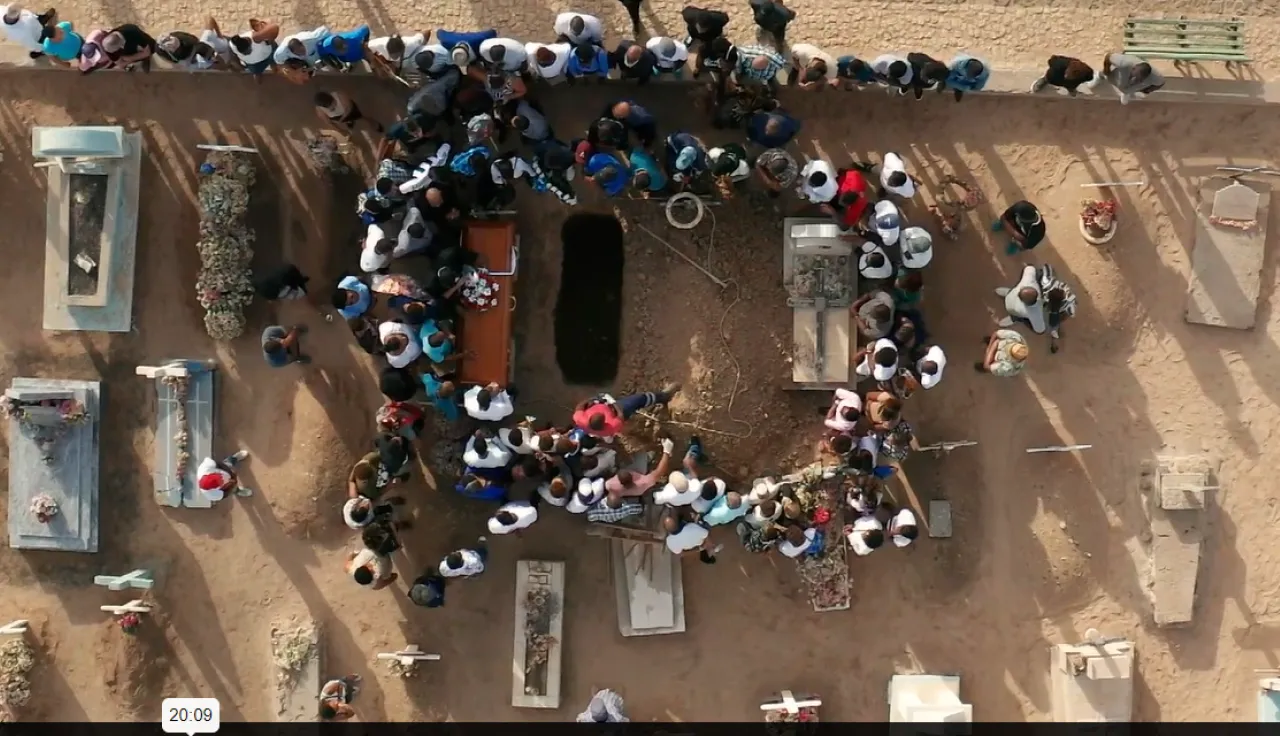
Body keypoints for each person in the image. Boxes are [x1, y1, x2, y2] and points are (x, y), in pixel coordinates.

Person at [572, 384, 681, 439]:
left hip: (601, 402)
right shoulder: (611, 425)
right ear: (605, 422)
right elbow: (621, 416)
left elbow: (579, 406)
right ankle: (664, 396)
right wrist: (612, 402)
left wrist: (592, 400)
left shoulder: (580, 420)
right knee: (639, 399)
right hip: (618, 408)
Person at [604, 436, 674, 496]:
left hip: (622, 467)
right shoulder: (642, 483)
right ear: (633, 478)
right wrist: (667, 451)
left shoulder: (611, 485)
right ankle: (648, 457)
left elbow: (607, 484)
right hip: (637, 471)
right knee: (641, 454)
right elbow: (659, 472)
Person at [1037, 264, 1077, 353]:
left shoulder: (1047, 285)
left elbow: (1046, 267)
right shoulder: (1070, 300)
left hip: (1045, 307)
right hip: (1056, 312)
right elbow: (1068, 314)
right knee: (1054, 326)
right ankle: (1054, 339)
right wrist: (1059, 320)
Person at [997, 264, 1047, 334]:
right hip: (1015, 312)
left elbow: (1030, 268)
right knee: (1024, 317)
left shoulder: (1027, 282)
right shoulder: (1035, 312)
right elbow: (1040, 330)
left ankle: (1008, 293)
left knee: (1014, 290)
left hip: (1010, 295)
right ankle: (1015, 318)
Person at [315, 90, 380, 138]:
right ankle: (349, 122)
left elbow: (349, 107)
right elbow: (328, 122)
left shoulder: (339, 95)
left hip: (350, 111)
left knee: (359, 116)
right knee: (348, 121)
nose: (332, 107)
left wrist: (341, 119)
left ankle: (370, 121)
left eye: (333, 103)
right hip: (338, 117)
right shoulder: (319, 109)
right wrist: (340, 130)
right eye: (329, 107)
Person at [1031, 55, 1097, 96]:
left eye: (1070, 75)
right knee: (1048, 78)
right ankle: (1044, 80)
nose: (1066, 76)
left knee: (1071, 86)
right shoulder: (1059, 64)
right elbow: (1051, 60)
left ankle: (1071, 90)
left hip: (1072, 82)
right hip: (1055, 76)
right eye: (1067, 73)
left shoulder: (1087, 73)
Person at [342, 494, 407, 532]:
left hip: (357, 516)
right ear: (367, 513)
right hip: (366, 521)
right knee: (377, 527)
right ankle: (395, 525)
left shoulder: (349, 505)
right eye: (366, 507)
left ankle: (389, 507)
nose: (366, 502)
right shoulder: (367, 518)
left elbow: (351, 483)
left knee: (377, 504)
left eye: (362, 503)